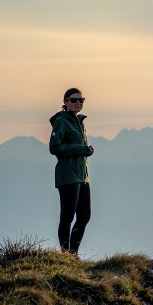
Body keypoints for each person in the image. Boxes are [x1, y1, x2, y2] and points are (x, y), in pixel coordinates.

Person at [49, 87, 94, 255]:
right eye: (74, 100)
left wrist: (86, 150)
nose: (78, 103)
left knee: (84, 217)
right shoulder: (61, 120)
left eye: (81, 100)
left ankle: (73, 255)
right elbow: (55, 147)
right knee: (67, 217)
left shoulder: (79, 122)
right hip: (67, 176)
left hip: (82, 176)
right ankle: (65, 255)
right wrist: (81, 149)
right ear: (65, 102)